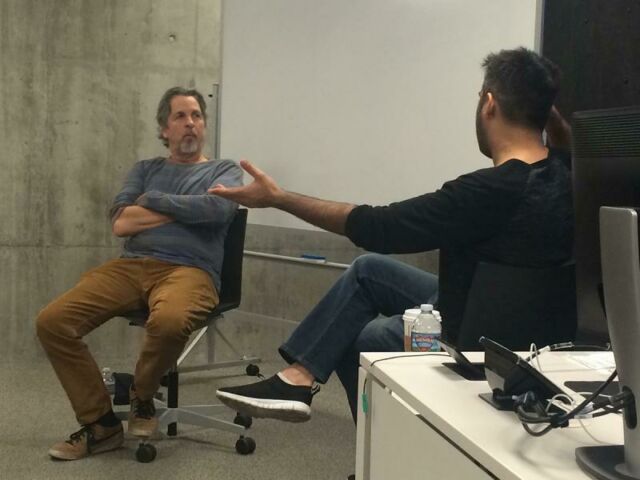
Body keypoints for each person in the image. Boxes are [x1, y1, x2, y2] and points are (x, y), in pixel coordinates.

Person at [211, 48, 573, 424]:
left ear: (489, 104)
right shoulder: (571, 173)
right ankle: (297, 379)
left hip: (472, 336)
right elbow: (563, 147)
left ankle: (378, 457)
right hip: (524, 323)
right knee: (368, 271)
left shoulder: (481, 193)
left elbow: (377, 227)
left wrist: (279, 198)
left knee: (363, 338)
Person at [36, 86, 242, 460]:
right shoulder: (145, 169)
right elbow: (121, 223)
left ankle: (143, 396)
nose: (190, 123)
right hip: (131, 267)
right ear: (164, 129)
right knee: (53, 321)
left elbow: (220, 210)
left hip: (190, 271)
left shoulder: (223, 170)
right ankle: (101, 425)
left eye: (196, 116)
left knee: (170, 320)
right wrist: (187, 209)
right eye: (180, 116)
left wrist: (154, 201)